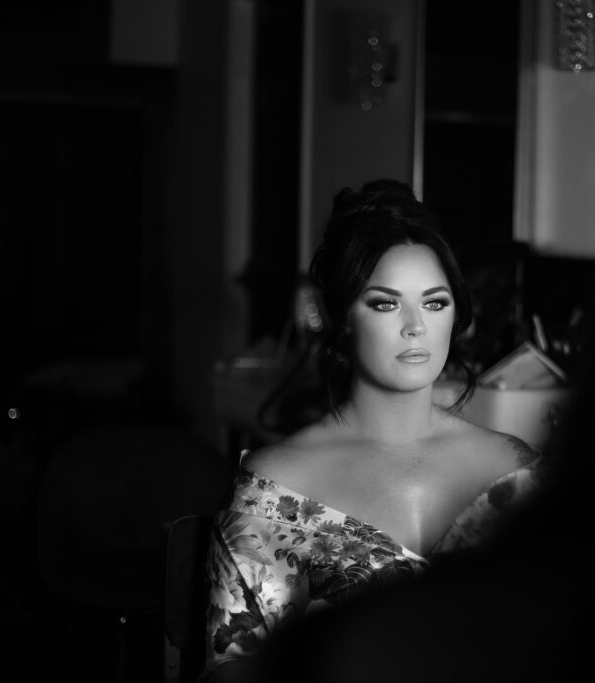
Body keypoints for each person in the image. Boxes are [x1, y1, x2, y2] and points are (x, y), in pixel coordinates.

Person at [201, 179, 546, 681]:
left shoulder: (517, 472)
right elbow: (230, 672)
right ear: (341, 319)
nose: (415, 327)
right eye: (385, 303)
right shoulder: (275, 487)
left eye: (434, 303)